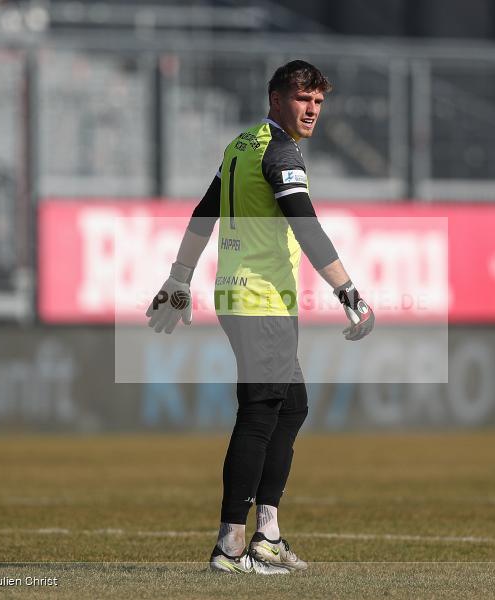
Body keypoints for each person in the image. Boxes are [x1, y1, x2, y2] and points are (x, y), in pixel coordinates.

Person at [145, 60, 375, 575]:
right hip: (260, 300)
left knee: (290, 406)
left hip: (242, 296)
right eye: (302, 99)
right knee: (260, 412)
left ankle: (265, 535)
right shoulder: (281, 152)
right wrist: (348, 291)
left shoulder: (241, 146)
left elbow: (206, 211)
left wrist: (180, 278)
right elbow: (307, 227)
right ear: (276, 99)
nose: (312, 110)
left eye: (318, 101)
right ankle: (230, 546)